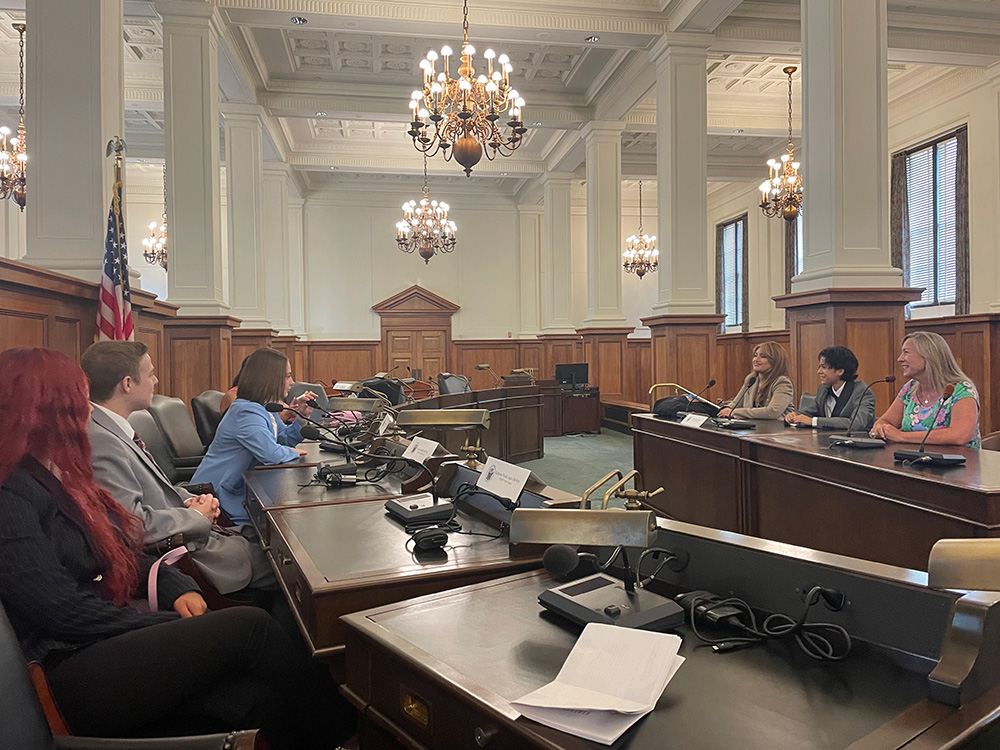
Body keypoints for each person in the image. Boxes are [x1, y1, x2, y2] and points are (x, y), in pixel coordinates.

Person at [0, 348, 354, 748]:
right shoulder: (10, 493)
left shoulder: (50, 476)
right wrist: (167, 625)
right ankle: (348, 734)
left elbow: (110, 551)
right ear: (45, 410)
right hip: (64, 668)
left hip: (95, 640)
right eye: (78, 400)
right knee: (251, 628)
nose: (88, 410)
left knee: (254, 700)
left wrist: (172, 585)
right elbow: (60, 610)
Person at [81, 341, 276, 598]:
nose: (156, 380)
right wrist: (194, 515)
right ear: (127, 383)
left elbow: (154, 489)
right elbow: (130, 525)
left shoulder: (114, 429)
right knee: (292, 566)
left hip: (204, 534)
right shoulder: (102, 441)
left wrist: (190, 499)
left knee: (279, 544)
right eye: (150, 374)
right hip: (191, 555)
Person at [191, 348, 315, 526]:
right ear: (270, 378)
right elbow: (270, 454)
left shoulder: (263, 407)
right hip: (217, 497)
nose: (292, 382)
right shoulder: (246, 412)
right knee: (284, 522)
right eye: (288, 376)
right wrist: (292, 452)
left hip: (240, 490)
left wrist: (302, 416)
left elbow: (284, 438)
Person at [870, 331, 980, 448]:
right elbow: (885, 421)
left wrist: (902, 436)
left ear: (928, 355)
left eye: (906, 352)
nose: (899, 359)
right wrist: (880, 428)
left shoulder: (962, 390)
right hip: (914, 457)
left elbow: (959, 436)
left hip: (958, 459)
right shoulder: (910, 388)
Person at [785, 346, 876, 431]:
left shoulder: (862, 391)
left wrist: (814, 421)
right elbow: (808, 412)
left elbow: (857, 423)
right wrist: (794, 416)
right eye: (819, 367)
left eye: (824, 367)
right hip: (825, 439)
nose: (819, 371)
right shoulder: (823, 389)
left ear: (840, 371)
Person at [717, 341, 794, 420]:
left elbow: (773, 412)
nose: (756, 359)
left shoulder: (782, 382)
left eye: (763, 356)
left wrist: (734, 412)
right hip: (752, 425)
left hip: (775, 427)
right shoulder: (752, 379)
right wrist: (727, 409)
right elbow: (736, 403)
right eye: (755, 355)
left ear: (775, 361)